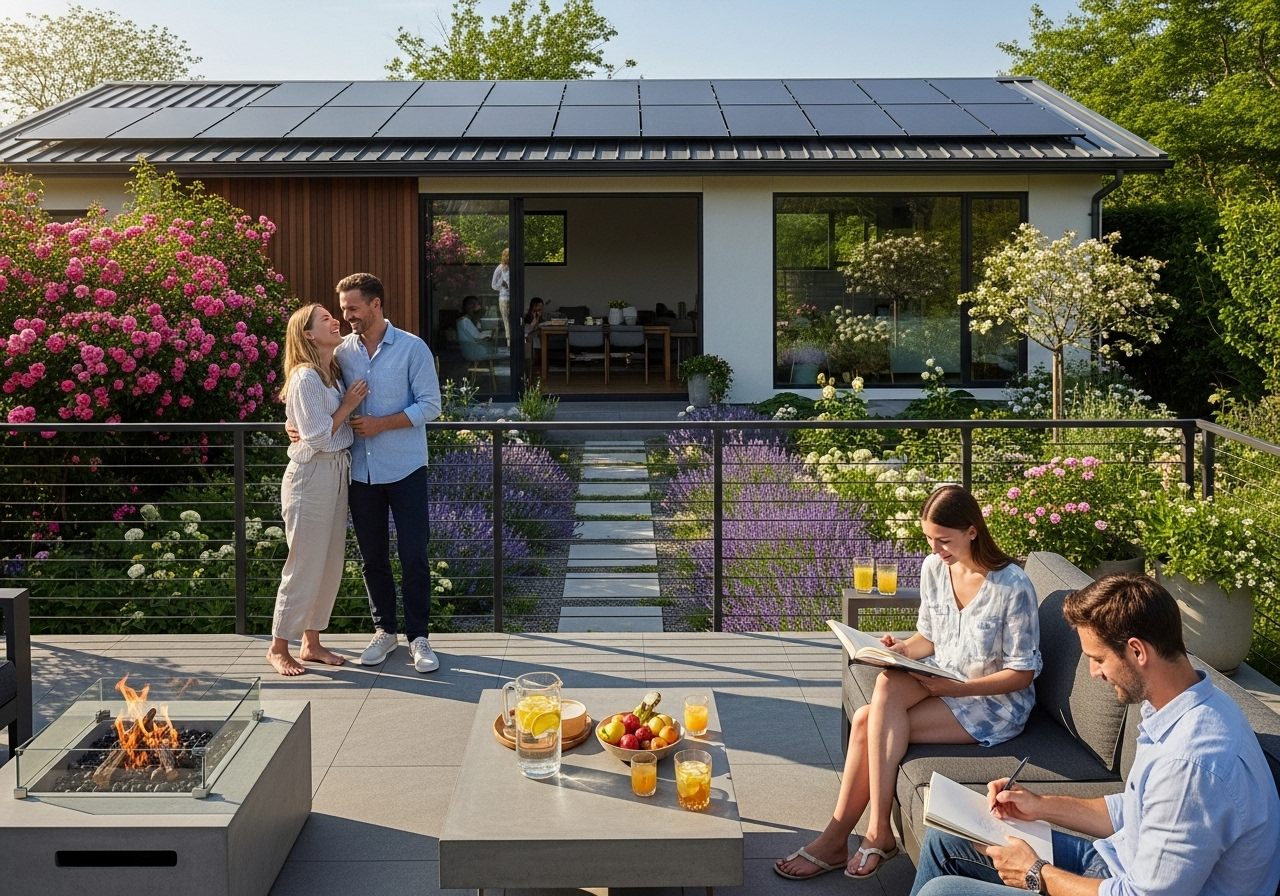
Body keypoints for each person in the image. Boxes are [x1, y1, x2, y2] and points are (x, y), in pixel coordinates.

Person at [911, 573, 1280, 896]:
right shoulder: (1186, 704)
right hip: (1116, 865)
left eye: (1099, 658)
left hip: (1127, 887)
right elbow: (1133, 810)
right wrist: (1040, 805)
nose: (1093, 672)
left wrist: (1035, 873)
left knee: (943, 893)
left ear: (1137, 651)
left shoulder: (1191, 765)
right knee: (948, 839)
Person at [775, 485, 1041, 880]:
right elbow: (928, 639)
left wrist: (959, 689)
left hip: (993, 704)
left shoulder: (1012, 585)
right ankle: (872, 834)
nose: (935, 549)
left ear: (972, 531)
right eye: (929, 539)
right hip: (942, 676)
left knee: (866, 722)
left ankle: (852, 837)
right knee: (885, 683)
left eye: (943, 540)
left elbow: (1022, 672)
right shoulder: (934, 568)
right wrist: (901, 649)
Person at [335, 272, 443, 673]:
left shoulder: (413, 348)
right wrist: (296, 423)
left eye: (353, 307)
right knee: (372, 557)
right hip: (361, 472)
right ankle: (385, 631)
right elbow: (319, 392)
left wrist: (382, 424)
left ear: (376, 303)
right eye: (343, 309)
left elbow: (431, 406)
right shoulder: (341, 353)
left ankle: (419, 638)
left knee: (414, 554)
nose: (347, 316)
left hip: (406, 469)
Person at [268, 304, 368, 676]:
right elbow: (316, 437)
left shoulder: (333, 371)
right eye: (325, 318)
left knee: (328, 564)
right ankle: (278, 647)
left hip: (336, 471)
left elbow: (306, 423)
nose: (334, 320)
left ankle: (311, 642)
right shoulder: (305, 377)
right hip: (310, 477)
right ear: (308, 334)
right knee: (304, 564)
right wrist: (348, 405)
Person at [491, 247, 511, 345]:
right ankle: (510, 345)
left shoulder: (514, 267)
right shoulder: (500, 268)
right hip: (505, 298)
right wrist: (502, 284)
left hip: (514, 298)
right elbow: (493, 285)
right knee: (507, 323)